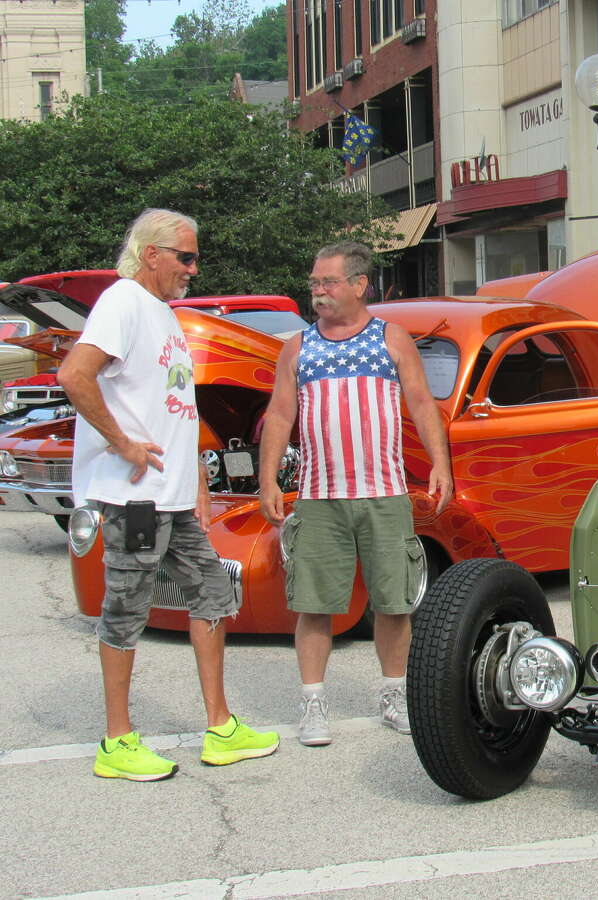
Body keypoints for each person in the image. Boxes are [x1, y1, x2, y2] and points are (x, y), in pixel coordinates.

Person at [59, 208, 279, 781]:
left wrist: (198, 482)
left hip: (173, 499)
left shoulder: (163, 314)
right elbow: (74, 375)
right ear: (150, 253)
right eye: (185, 256)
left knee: (213, 590)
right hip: (134, 499)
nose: (194, 268)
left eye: (195, 257)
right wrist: (123, 443)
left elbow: (175, 409)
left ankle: (221, 728)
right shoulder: (124, 302)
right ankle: (116, 742)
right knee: (126, 608)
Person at [258, 241, 453, 746]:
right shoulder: (298, 348)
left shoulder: (391, 338)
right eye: (315, 283)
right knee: (314, 604)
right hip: (319, 497)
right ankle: (313, 704)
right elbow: (280, 414)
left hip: (385, 494)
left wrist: (440, 464)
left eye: (328, 283)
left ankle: (393, 696)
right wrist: (268, 479)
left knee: (394, 603)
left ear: (359, 285)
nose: (318, 292)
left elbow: (420, 402)